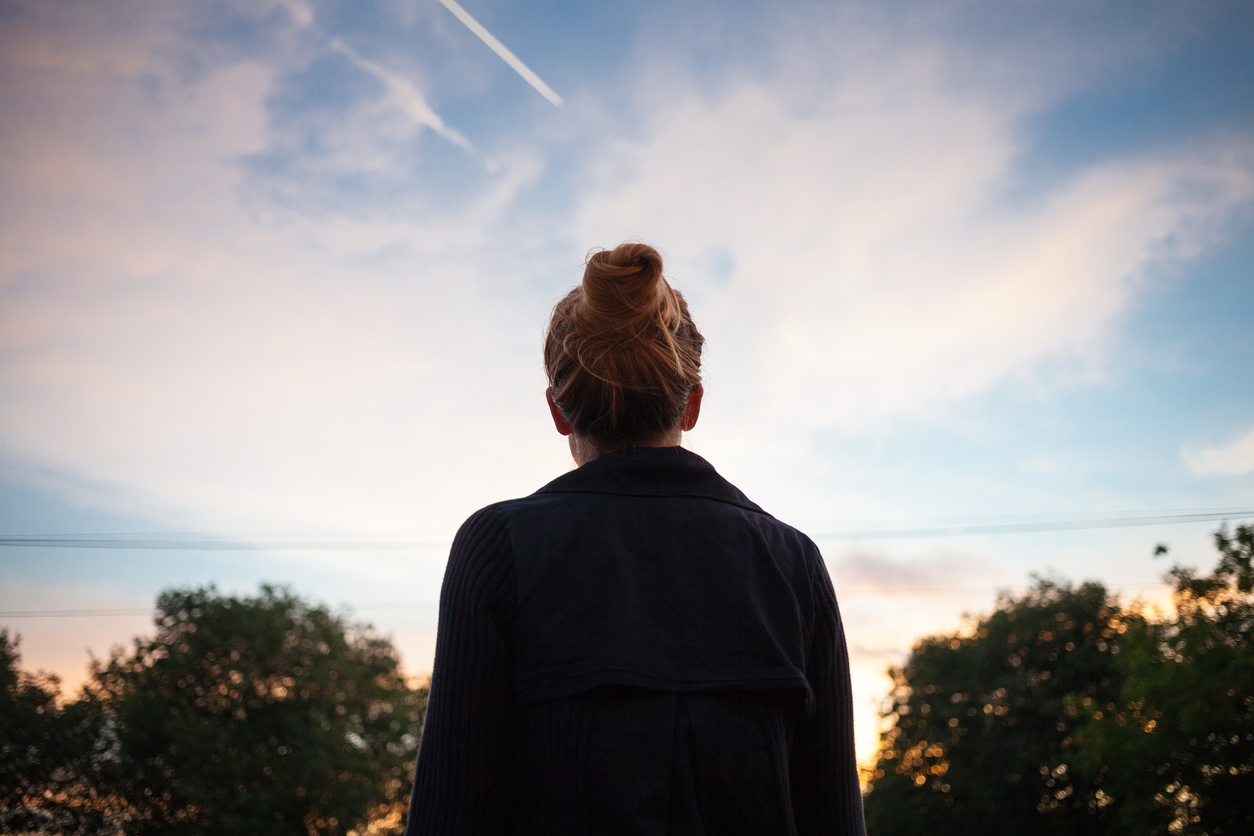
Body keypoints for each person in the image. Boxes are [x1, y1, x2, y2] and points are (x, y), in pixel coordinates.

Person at [404, 243, 865, 835]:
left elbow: (451, 812)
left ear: (559, 411)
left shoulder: (499, 547)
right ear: (692, 403)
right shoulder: (793, 561)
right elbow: (833, 816)